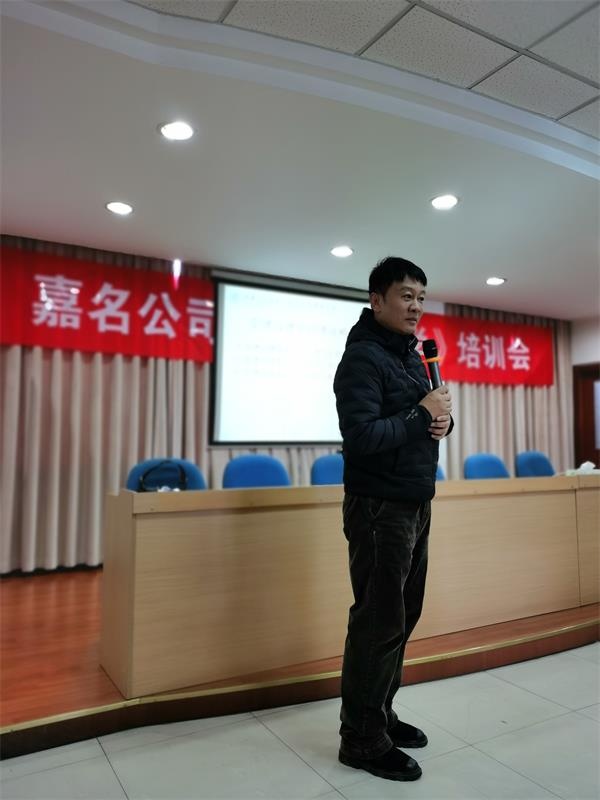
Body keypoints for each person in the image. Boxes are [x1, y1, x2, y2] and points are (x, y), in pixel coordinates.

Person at [333, 256, 453, 782]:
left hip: (413, 500)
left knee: (402, 617)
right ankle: (360, 739)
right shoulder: (362, 358)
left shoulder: (411, 357)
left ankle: (377, 716)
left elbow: (418, 421)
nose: (416, 306)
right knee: (379, 621)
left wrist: (440, 422)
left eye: (421, 297)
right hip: (379, 506)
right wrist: (421, 413)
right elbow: (361, 437)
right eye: (406, 295)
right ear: (376, 299)